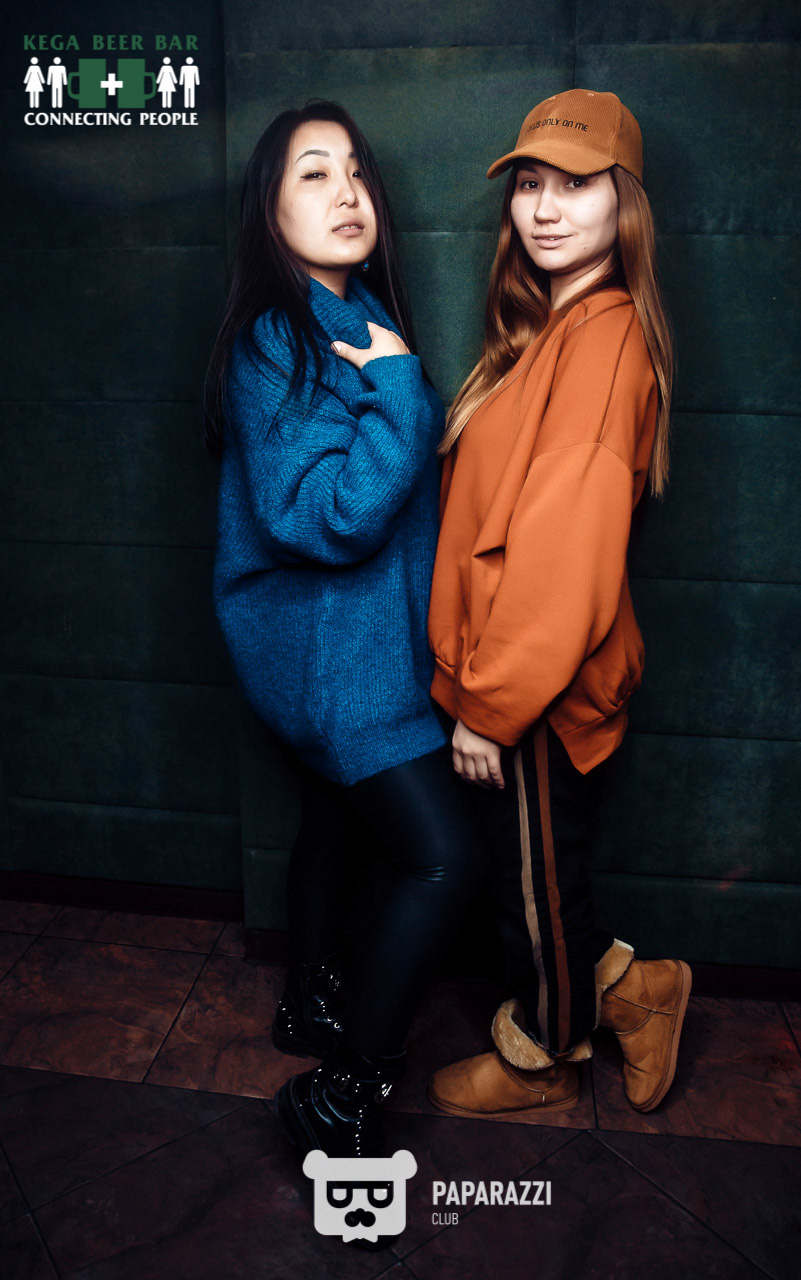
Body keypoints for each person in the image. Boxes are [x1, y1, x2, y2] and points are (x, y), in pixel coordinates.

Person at [203, 101, 484, 1159]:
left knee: (332, 822)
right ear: (268, 210)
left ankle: (309, 1004)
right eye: (314, 173)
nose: (348, 191)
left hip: (352, 644)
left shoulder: (350, 313)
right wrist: (402, 384)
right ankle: (341, 1093)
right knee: (443, 859)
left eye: (356, 170)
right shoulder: (276, 338)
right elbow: (326, 518)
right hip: (331, 657)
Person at [426, 88, 691, 1119]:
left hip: (535, 685)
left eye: (575, 185)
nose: (543, 207)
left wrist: (489, 705)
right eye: (529, 183)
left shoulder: (604, 338)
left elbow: (562, 557)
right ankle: (636, 989)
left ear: (623, 203)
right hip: (512, 671)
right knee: (531, 878)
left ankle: (541, 1060)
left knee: (534, 892)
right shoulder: (552, 329)